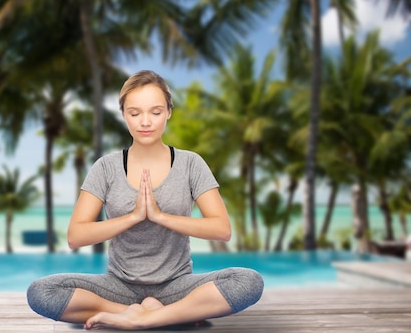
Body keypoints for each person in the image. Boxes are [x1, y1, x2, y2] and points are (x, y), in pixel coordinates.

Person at [27, 70, 264, 330]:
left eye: (155, 111)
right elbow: (76, 236)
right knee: (42, 292)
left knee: (248, 282)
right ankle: (150, 313)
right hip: (118, 287)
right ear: (124, 115)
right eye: (135, 112)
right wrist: (134, 217)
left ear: (168, 112)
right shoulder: (105, 167)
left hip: (177, 285)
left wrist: (160, 216)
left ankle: (145, 318)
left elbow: (222, 229)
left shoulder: (191, 164)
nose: (145, 122)